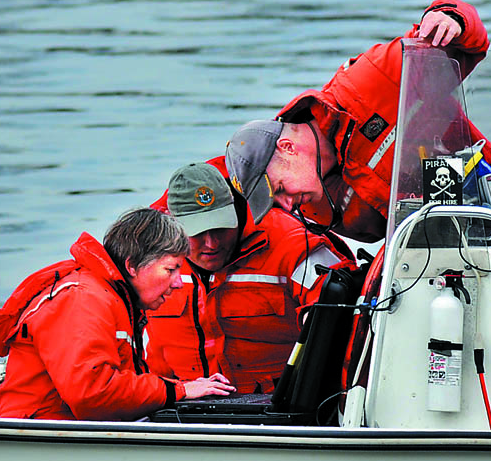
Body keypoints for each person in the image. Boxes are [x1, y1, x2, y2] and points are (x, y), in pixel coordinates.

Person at [224, 0, 491, 243]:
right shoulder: (313, 206)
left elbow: (469, 45)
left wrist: (450, 18)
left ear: (287, 147)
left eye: (279, 189)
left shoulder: (369, 82)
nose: (285, 205)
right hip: (438, 258)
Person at [0, 207, 235, 420]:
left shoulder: (112, 296)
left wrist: (181, 389)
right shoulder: (83, 299)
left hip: (70, 435)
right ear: (132, 266)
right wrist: (179, 391)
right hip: (40, 442)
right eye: (170, 269)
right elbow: (92, 393)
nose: (178, 282)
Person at [145, 162, 354, 394]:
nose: (211, 243)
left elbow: (343, 304)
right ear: (173, 226)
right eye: (197, 232)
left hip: (279, 409)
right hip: (180, 405)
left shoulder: (294, 245)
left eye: (221, 227)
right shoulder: (151, 262)